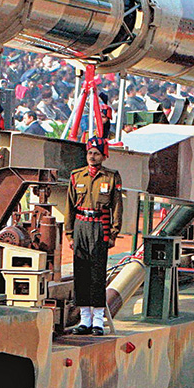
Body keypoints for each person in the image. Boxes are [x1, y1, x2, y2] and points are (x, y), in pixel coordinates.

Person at [66, 136, 123, 335]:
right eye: (90, 152)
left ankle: (98, 320)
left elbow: (117, 206)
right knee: (81, 272)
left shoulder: (111, 177)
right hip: (81, 225)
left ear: (104, 156)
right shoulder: (76, 176)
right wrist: (70, 234)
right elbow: (70, 207)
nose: (92, 156)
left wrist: (114, 232)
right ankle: (85, 319)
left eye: (96, 153)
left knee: (98, 272)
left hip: (100, 226)